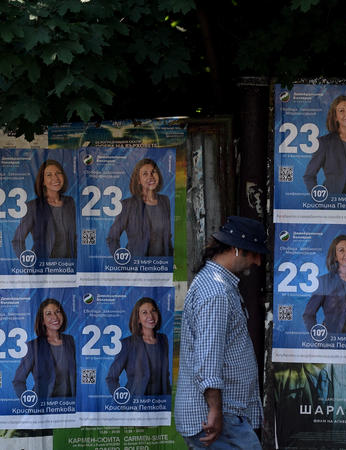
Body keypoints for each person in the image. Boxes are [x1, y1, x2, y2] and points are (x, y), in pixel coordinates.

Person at [175, 216, 267, 449]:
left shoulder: (216, 284)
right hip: (218, 416)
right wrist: (215, 409)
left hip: (223, 415)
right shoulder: (216, 291)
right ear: (237, 249)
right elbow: (208, 357)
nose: (257, 261)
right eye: (254, 253)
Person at [302, 95, 346, 195]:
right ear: (335, 117)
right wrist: (321, 201)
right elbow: (309, 176)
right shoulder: (325, 142)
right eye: (341, 110)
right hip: (335, 203)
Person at [302, 235, 346, 334]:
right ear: (335, 257)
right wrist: (319, 339)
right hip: (335, 342)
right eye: (341, 250)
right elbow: (308, 315)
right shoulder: (324, 281)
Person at [106, 158, 173, 257]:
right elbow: (112, 238)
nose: (151, 176)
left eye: (153, 172)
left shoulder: (165, 201)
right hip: (137, 267)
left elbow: (166, 238)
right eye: (145, 174)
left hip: (162, 266)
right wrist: (123, 263)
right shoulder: (127, 205)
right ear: (138, 180)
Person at [12, 298, 77, 400]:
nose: (55, 317)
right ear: (42, 320)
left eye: (57, 312)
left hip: (69, 406)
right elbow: (18, 380)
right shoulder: (33, 346)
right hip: (44, 407)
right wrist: (29, 402)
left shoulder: (70, 341)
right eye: (48, 313)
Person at [106, 297, 171, 396]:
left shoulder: (163, 340)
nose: (150, 316)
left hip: (160, 404)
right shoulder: (127, 344)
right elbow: (111, 378)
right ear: (138, 319)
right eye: (144, 312)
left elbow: (165, 375)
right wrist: (123, 403)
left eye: (153, 311)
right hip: (136, 405)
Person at [12, 159, 77, 259]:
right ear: (43, 182)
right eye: (49, 175)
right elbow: (17, 240)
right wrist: (28, 265)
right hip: (44, 267)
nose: (55, 177)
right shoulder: (33, 206)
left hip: (67, 267)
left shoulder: (70, 203)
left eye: (58, 173)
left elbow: (73, 237)